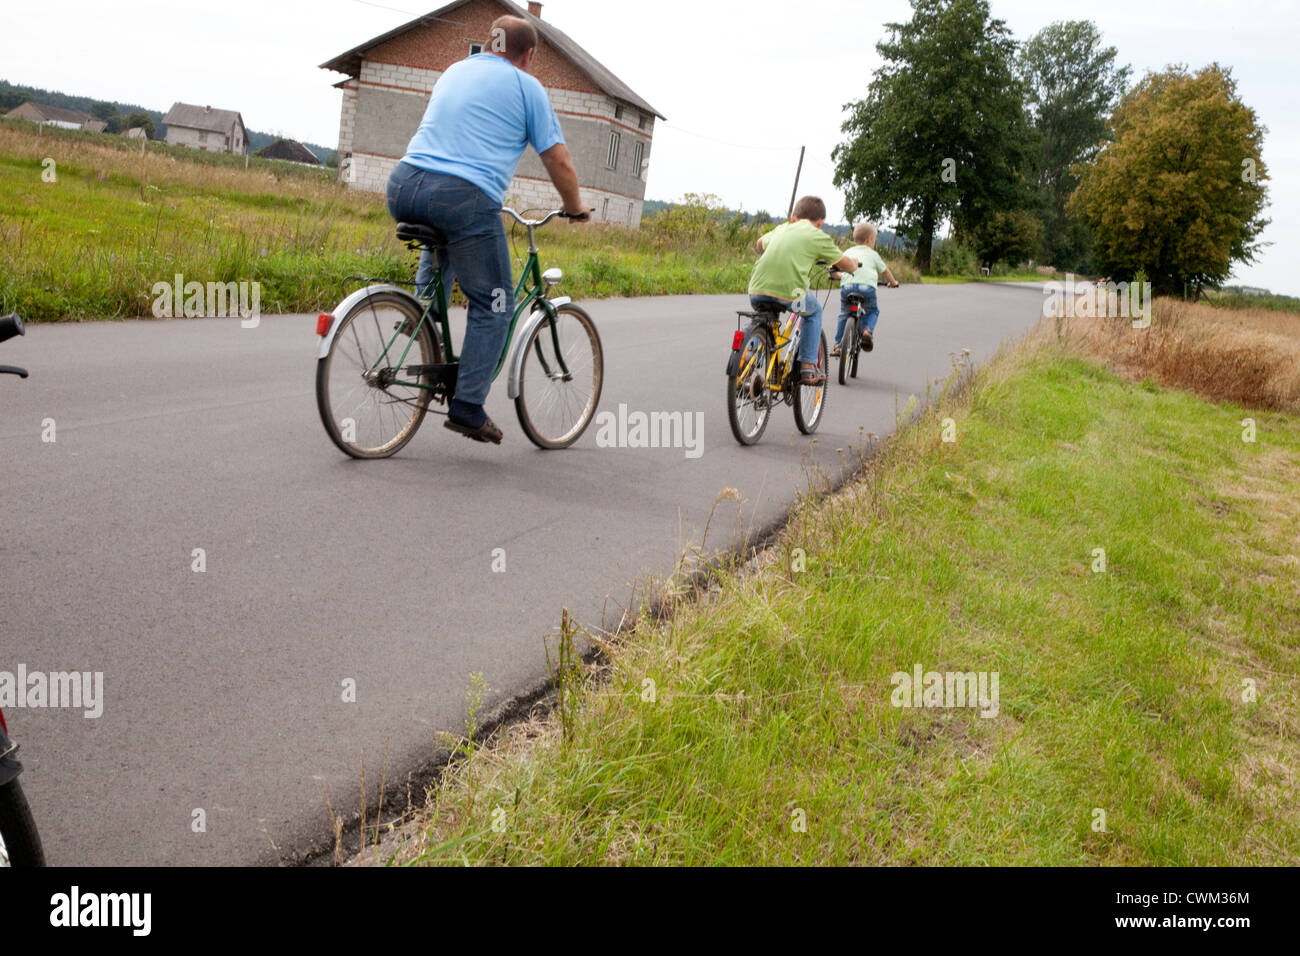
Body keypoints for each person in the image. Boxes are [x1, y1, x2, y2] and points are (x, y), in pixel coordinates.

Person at [386, 15, 590, 445]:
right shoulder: (526, 86)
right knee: (495, 305)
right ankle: (468, 407)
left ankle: (422, 316)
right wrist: (575, 208)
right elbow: (558, 160)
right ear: (528, 55)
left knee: (443, 235)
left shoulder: (456, 70)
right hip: (463, 198)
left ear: (489, 43)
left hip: (404, 185)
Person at [748, 197, 858, 385]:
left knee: (764, 317)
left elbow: (759, 244)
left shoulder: (782, 228)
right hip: (792, 294)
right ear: (820, 222)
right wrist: (853, 264)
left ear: (793, 217)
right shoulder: (817, 236)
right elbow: (845, 264)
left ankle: (747, 361)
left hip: (757, 288)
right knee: (814, 311)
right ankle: (808, 366)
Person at [829, 222, 899, 356]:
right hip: (867, 289)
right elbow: (885, 271)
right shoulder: (873, 254)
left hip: (847, 287)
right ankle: (867, 331)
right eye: (875, 240)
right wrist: (893, 282)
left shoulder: (848, 252)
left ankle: (838, 345)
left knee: (844, 314)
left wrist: (836, 276)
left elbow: (840, 271)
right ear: (869, 240)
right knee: (872, 311)